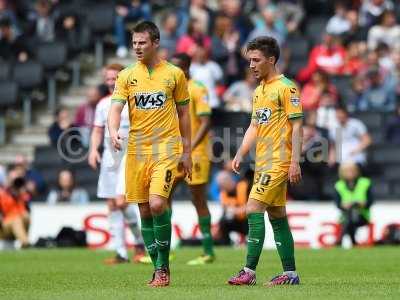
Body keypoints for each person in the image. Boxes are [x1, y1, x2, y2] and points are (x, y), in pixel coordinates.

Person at [108, 21, 192, 287]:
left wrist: (187, 150)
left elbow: (184, 114)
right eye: (134, 43)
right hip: (137, 150)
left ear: (156, 43)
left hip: (166, 149)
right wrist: (112, 131)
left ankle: (163, 268)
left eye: (142, 43)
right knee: (144, 211)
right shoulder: (126, 76)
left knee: (157, 204)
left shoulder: (174, 74)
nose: (137, 47)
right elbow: (115, 108)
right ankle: (157, 268)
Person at [228, 36, 303, 286]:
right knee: (277, 215)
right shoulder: (259, 91)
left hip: (279, 161)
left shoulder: (287, 87)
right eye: (249, 60)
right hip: (263, 162)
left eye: (256, 60)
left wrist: (294, 161)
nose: (251, 65)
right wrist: (240, 152)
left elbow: (297, 126)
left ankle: (248, 271)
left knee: (252, 208)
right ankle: (290, 274)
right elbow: (254, 125)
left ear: (271, 60)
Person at [89, 63, 145, 264]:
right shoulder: (103, 104)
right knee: (112, 204)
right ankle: (120, 252)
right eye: (108, 79)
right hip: (110, 156)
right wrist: (93, 150)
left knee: (122, 201)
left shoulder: (134, 100)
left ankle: (139, 243)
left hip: (130, 154)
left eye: (115, 78)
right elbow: (97, 130)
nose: (111, 82)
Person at [169, 53, 214, 265]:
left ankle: (208, 251)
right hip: (172, 153)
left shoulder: (198, 88)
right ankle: (166, 250)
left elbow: (205, 122)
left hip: (195, 154)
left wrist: (189, 147)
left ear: (186, 68)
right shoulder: (170, 90)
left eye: (177, 66)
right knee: (163, 197)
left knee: (198, 199)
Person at [334, 162, 373, 247]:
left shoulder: (365, 183)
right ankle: (353, 243)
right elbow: (337, 204)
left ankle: (340, 240)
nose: (350, 173)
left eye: (352, 170)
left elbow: (370, 201)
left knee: (351, 215)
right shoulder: (339, 185)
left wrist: (363, 203)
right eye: (347, 171)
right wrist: (344, 205)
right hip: (346, 216)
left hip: (362, 215)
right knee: (350, 216)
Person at [216, 169, 251, 245]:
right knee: (223, 222)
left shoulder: (244, 186)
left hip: (248, 220)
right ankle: (226, 244)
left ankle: (252, 244)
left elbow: (252, 204)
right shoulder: (223, 193)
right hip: (235, 220)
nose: (221, 187)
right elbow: (225, 209)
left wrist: (237, 211)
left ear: (229, 181)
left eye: (222, 184)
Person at [0, 165, 31, 248]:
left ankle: (24, 242)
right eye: (13, 180)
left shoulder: (22, 194)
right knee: (16, 220)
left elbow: (27, 211)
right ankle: (25, 243)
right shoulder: (1, 193)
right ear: (7, 180)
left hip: (18, 223)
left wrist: (21, 194)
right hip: (3, 228)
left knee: (26, 216)